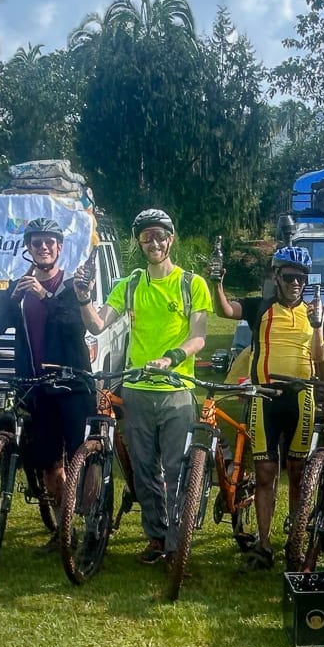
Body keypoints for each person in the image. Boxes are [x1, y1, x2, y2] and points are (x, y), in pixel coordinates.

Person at [79, 208, 211, 566]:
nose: (153, 242)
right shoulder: (131, 284)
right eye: (146, 237)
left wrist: (172, 357)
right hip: (138, 391)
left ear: (171, 239)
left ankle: (175, 542)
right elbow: (96, 325)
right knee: (144, 469)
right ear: (139, 242)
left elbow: (199, 337)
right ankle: (156, 536)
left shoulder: (191, 284)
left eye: (159, 235)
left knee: (176, 470)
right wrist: (83, 298)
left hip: (177, 392)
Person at [0, 217, 93, 549]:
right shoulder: (18, 290)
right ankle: (64, 528)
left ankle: (90, 525)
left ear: (59, 248)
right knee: (48, 462)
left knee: (79, 460)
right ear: (27, 249)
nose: (43, 247)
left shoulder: (73, 288)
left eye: (49, 242)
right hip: (36, 387)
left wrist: (44, 295)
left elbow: (74, 326)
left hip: (73, 386)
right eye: (36, 243)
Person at [210, 244, 324, 570]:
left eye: (302, 278)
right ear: (276, 276)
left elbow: (322, 358)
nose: (296, 284)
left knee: (297, 474)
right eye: (290, 277)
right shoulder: (259, 306)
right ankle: (264, 546)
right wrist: (217, 284)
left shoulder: (314, 313)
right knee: (265, 473)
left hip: (301, 399)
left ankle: (294, 540)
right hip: (263, 398)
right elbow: (225, 311)